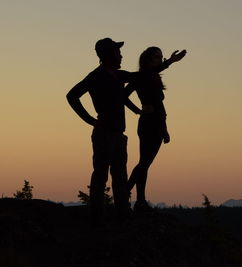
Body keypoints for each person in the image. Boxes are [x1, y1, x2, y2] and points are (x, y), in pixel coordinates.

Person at [66, 38, 140, 226]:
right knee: (101, 175)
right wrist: (90, 120)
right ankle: (97, 217)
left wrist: (167, 63)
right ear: (108, 55)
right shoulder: (96, 76)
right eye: (117, 52)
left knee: (120, 176)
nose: (121, 55)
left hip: (117, 134)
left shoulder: (117, 75)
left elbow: (141, 76)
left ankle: (122, 213)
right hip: (104, 134)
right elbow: (72, 95)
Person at [126, 47, 186, 211]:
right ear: (147, 60)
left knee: (145, 163)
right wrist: (138, 110)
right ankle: (128, 194)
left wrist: (164, 129)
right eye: (156, 57)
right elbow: (123, 95)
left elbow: (160, 107)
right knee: (144, 163)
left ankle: (138, 199)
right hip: (148, 123)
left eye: (161, 57)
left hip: (157, 123)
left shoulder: (152, 77)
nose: (159, 60)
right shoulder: (142, 76)